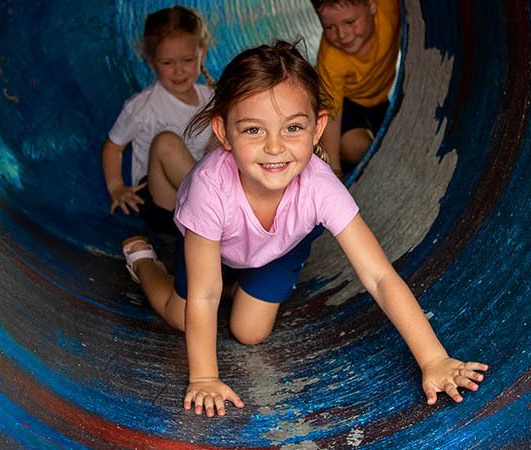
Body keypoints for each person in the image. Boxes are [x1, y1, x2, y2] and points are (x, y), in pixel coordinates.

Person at [119, 41, 487, 417]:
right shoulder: (208, 189)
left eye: (293, 127)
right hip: (208, 247)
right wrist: (203, 379)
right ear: (224, 133)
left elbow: (378, 276)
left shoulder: (320, 185)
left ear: (317, 128)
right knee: (185, 317)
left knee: (249, 332)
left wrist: (433, 359)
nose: (275, 147)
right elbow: (204, 295)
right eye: (253, 130)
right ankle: (145, 262)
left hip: (278, 250)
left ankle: (240, 284)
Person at [102, 6, 218, 234]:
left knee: (225, 129)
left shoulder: (210, 97)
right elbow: (112, 147)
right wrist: (116, 187)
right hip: (164, 204)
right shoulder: (143, 106)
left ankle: (221, 209)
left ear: (201, 54)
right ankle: (219, 211)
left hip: (203, 192)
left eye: (187, 60)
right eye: (167, 63)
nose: (178, 71)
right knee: (166, 143)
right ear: (152, 61)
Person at [312, 0, 400, 178]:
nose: (342, 35)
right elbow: (332, 115)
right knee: (358, 149)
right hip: (347, 103)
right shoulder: (331, 59)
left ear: (372, 6)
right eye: (329, 27)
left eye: (350, 22)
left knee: (397, 145)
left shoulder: (389, 9)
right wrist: (333, 170)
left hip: (380, 99)